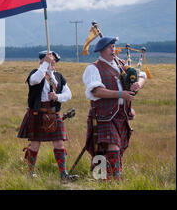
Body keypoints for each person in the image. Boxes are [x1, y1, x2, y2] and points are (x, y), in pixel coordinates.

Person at [82, 37, 146, 180]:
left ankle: (105, 179)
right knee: (113, 147)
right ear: (102, 50)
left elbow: (142, 75)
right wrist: (120, 94)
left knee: (118, 149)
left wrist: (138, 85)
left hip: (121, 115)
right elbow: (96, 91)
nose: (113, 49)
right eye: (110, 47)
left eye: (114, 46)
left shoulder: (121, 65)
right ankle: (114, 181)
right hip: (104, 116)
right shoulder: (93, 68)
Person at [18, 51, 77, 181]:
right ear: (41, 60)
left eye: (54, 60)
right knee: (34, 145)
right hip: (37, 114)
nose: (53, 62)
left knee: (59, 144)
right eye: (50, 59)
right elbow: (35, 80)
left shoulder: (59, 76)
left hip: (53, 114)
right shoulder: (36, 73)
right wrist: (45, 64)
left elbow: (69, 94)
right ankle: (30, 174)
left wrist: (57, 97)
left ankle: (63, 174)